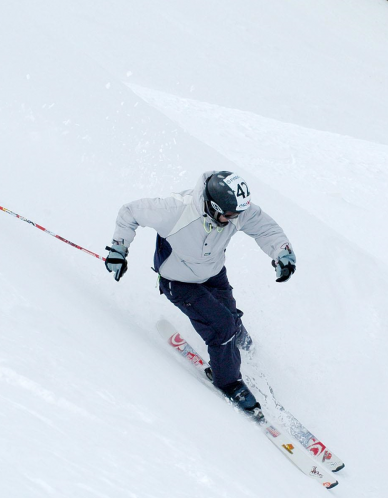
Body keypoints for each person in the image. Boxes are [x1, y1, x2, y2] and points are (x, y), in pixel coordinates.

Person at [104, 171, 296, 415]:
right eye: (230, 215)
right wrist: (118, 250)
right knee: (222, 326)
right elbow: (129, 212)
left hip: (213, 274)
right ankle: (229, 382)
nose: (236, 219)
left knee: (232, 321)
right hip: (179, 282)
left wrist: (283, 254)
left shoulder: (236, 210)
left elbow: (266, 229)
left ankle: (243, 351)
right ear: (213, 206)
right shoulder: (174, 211)